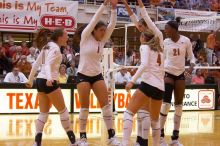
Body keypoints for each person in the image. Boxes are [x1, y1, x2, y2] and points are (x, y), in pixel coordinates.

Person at [76, 0, 120, 145]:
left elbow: (112, 25)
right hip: (83, 75)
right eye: (101, 30)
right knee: (84, 108)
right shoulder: (85, 37)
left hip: (97, 75)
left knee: (106, 106)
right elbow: (94, 19)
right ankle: (82, 138)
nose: (103, 32)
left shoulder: (102, 41)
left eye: (104, 30)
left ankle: (111, 136)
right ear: (94, 30)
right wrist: (104, 5)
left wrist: (113, 8)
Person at [122, 0, 164, 145]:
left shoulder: (155, 37)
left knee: (137, 113)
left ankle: (137, 141)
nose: (138, 28)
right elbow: (134, 18)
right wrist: (127, 5)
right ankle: (143, 141)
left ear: (146, 27)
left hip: (149, 80)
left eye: (140, 26)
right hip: (159, 83)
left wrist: (140, 4)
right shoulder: (156, 44)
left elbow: (144, 18)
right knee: (148, 116)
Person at [26, 28, 77, 146]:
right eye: (66, 35)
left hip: (39, 81)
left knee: (43, 113)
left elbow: (36, 64)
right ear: (59, 37)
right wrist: (49, 78)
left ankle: (37, 142)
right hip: (49, 81)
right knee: (63, 111)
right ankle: (73, 141)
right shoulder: (54, 48)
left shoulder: (46, 46)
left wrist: (30, 79)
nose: (68, 37)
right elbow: (48, 64)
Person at [160, 19, 196, 146]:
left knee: (179, 106)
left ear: (174, 29)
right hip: (168, 73)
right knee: (165, 105)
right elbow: (162, 59)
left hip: (180, 74)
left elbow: (192, 57)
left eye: (167, 28)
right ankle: (160, 136)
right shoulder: (165, 42)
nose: (165, 31)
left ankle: (175, 138)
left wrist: (191, 67)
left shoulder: (185, 40)